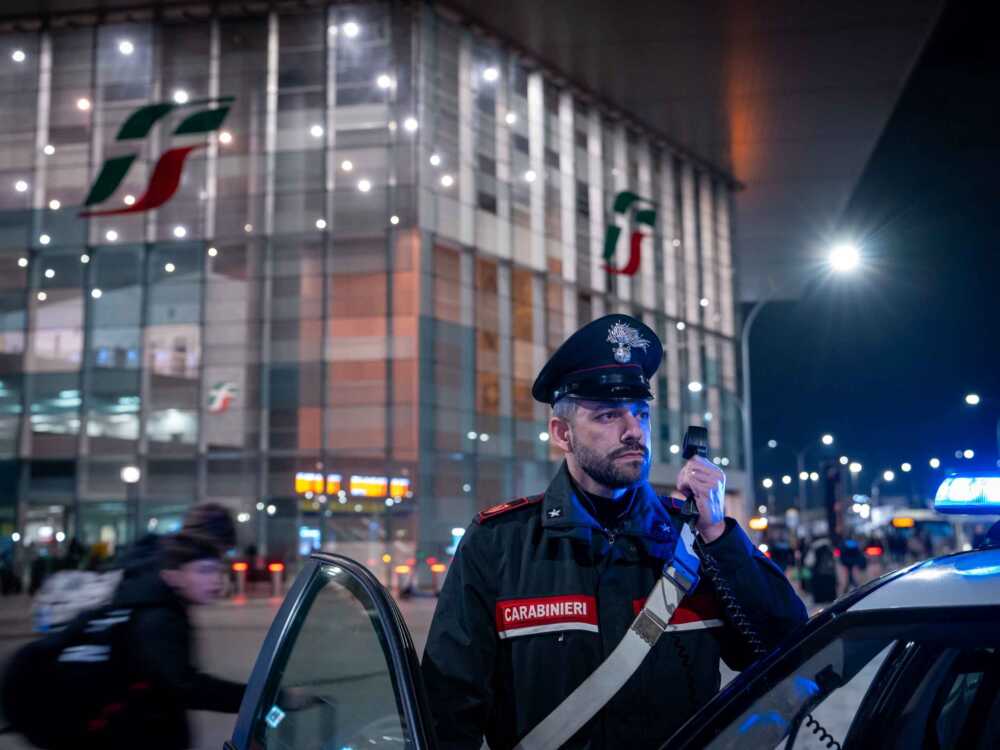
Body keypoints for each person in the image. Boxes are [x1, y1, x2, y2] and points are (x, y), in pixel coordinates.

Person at [421, 314, 807, 750]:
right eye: (607, 416)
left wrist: (718, 532)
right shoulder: (499, 543)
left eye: (640, 413)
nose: (634, 431)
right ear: (562, 433)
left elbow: (788, 652)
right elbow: (448, 709)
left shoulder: (695, 539)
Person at [106, 531, 246, 749]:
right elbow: (184, 686)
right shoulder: (158, 617)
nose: (216, 579)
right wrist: (253, 698)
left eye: (218, 570)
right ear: (173, 575)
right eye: (204, 571)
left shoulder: (157, 604)